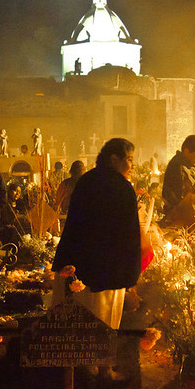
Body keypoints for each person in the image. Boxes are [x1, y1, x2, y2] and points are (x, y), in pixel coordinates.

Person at [53, 138, 146, 330]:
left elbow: (73, 225)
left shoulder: (86, 181)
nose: (132, 165)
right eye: (128, 159)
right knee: (104, 325)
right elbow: (129, 236)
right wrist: (131, 277)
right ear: (114, 159)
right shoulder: (122, 187)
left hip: (79, 268)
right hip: (108, 273)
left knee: (77, 325)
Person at [161, 134, 195, 226]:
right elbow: (181, 198)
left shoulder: (189, 166)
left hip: (194, 216)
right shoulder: (178, 167)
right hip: (184, 219)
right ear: (187, 151)